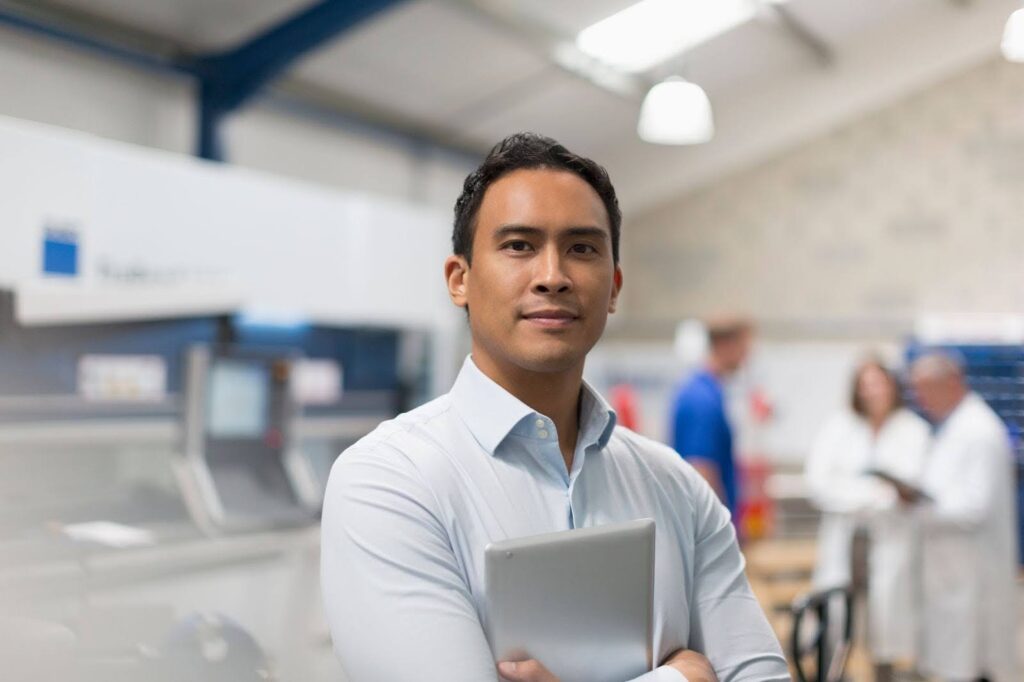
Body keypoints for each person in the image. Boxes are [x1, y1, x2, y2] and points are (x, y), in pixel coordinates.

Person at [320, 133, 789, 682]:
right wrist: (683, 677)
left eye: (582, 248)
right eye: (519, 245)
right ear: (460, 280)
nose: (553, 275)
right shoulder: (388, 482)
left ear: (613, 288)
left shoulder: (676, 490)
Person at [805, 358, 930, 677]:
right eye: (865, 384)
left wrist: (855, 491)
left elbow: (909, 488)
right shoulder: (839, 426)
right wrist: (873, 492)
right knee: (836, 624)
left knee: (886, 630)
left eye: (878, 383)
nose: (871, 391)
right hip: (845, 540)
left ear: (892, 385)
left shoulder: (913, 430)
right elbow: (818, 484)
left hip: (890, 540)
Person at [908, 352, 1019, 682]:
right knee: (956, 659)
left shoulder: (978, 431)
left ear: (952, 383)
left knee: (974, 662)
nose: (920, 399)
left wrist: (919, 508)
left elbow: (973, 509)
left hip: (973, 575)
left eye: (925, 389)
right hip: (952, 572)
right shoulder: (953, 427)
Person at [669, 318, 753, 518]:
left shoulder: (711, 392)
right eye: (744, 348)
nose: (746, 357)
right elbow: (701, 468)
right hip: (709, 530)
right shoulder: (701, 398)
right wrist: (718, 531)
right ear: (725, 345)